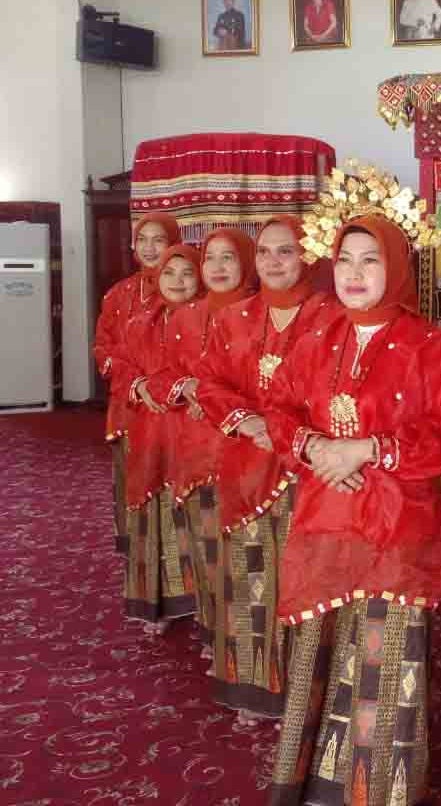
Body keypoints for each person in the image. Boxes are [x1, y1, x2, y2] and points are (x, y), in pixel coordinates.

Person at [263, 214, 441, 806]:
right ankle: (317, 785)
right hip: (325, 515)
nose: (355, 273)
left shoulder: (431, 347)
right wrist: (315, 448)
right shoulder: (314, 338)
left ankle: (380, 790)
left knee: (386, 653)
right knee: (320, 647)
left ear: (397, 268)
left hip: (399, 522)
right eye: (347, 260)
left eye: (371, 260)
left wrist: (370, 448)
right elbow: (280, 412)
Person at [196, 217, 340, 721]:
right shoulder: (232, 317)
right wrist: (248, 421)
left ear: (307, 258)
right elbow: (210, 382)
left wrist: (290, 431)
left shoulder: (333, 315)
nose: (275, 262)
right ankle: (256, 688)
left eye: (287, 252)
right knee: (252, 571)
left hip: (310, 465)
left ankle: (309, 690)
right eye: (265, 253)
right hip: (247, 461)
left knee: (309, 573)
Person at [153, 228, 258, 654]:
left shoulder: (263, 314)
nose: (216, 266)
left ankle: (247, 640)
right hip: (194, 443)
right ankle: (213, 628)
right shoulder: (183, 318)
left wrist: (216, 398)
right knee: (204, 540)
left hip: (246, 447)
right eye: (210, 257)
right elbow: (162, 374)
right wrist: (189, 388)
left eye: (228, 257)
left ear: (246, 263)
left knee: (245, 549)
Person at [115, 244, 203, 633]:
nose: (178, 281)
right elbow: (120, 366)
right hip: (151, 430)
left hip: (192, 431)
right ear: (157, 277)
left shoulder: (212, 320)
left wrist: (168, 386)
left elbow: (207, 375)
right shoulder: (139, 322)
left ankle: (206, 609)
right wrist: (137, 384)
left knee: (196, 518)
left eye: (187, 273)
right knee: (157, 514)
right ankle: (165, 603)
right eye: (170, 273)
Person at [94, 211, 180, 554]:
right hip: (129, 405)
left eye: (158, 240)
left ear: (172, 243)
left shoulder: (184, 287)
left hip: (170, 409)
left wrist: (157, 386)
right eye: (142, 239)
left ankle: (179, 578)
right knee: (134, 481)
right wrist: (137, 384)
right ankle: (142, 568)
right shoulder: (118, 295)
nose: (149, 247)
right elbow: (104, 348)